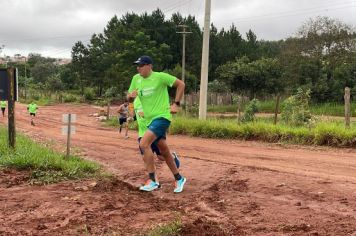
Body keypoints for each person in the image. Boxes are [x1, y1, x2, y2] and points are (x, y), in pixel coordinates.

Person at [127, 55, 186, 193]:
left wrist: (176, 104)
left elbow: (181, 84)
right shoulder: (136, 79)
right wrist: (130, 97)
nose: (138, 68)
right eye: (137, 66)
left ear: (149, 66)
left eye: (141, 65)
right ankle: (179, 178)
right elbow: (129, 97)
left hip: (162, 117)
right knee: (164, 151)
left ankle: (153, 181)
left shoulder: (160, 77)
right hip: (149, 121)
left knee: (144, 144)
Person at [133, 96, 180, 172]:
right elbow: (136, 114)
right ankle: (153, 180)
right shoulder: (135, 101)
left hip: (153, 132)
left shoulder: (150, 98)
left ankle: (173, 157)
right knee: (145, 157)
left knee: (160, 156)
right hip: (142, 133)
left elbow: (156, 112)